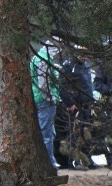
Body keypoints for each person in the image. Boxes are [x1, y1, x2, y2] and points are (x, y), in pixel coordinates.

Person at [59, 49, 96, 170]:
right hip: (75, 105)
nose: (85, 56)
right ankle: (74, 161)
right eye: (82, 53)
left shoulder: (85, 66)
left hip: (87, 104)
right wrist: (70, 103)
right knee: (74, 133)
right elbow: (63, 87)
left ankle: (87, 159)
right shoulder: (69, 66)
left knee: (86, 133)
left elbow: (88, 85)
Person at [31, 39, 62, 169]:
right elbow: (43, 84)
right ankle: (48, 163)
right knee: (46, 134)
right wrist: (51, 98)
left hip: (41, 99)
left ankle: (49, 161)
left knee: (49, 132)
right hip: (44, 100)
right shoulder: (42, 60)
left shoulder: (40, 57)